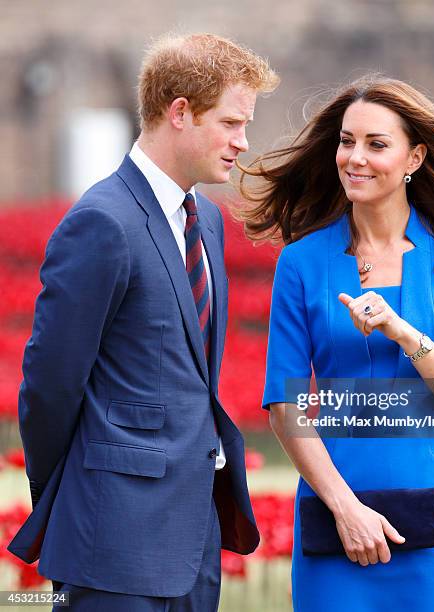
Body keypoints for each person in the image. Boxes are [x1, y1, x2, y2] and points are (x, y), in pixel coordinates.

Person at [8, 32, 279, 611]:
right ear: (179, 112)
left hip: (195, 541)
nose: (243, 141)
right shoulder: (102, 222)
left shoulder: (205, 219)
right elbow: (49, 388)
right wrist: (73, 498)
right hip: (108, 540)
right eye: (231, 123)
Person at [238, 75, 434, 611]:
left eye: (376, 144)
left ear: (415, 158)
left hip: (431, 524)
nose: (354, 157)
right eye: (346, 141)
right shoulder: (301, 263)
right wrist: (346, 510)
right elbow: (284, 405)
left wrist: (403, 332)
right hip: (334, 517)